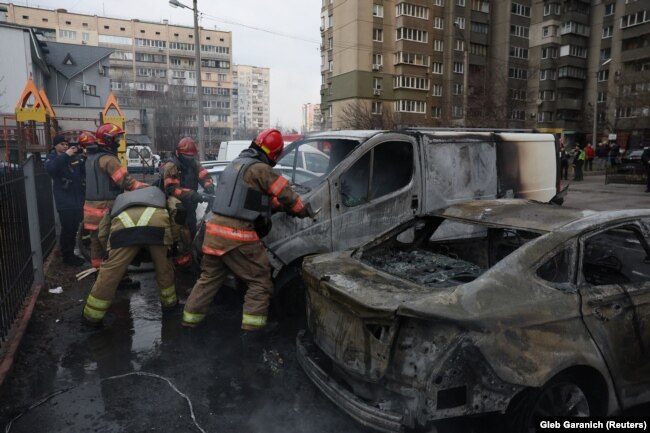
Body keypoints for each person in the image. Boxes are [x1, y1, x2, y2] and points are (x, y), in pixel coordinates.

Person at [182, 129, 315, 331]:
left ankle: (189, 322)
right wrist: (304, 211)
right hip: (237, 235)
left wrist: (274, 206)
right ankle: (253, 333)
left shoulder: (234, 165)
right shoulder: (261, 169)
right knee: (260, 281)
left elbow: (249, 199)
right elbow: (289, 198)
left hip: (213, 232)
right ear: (275, 153)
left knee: (208, 280)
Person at [82, 186, 179, 326]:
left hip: (122, 229)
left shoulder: (118, 202)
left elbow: (102, 231)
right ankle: (170, 307)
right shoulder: (162, 196)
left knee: (109, 275)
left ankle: (91, 318)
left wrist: (110, 252)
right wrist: (171, 242)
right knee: (164, 269)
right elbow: (177, 210)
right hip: (157, 226)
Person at [83, 123, 148, 289]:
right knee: (116, 246)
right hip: (106, 209)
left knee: (96, 244)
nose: (119, 141)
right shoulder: (109, 160)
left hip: (90, 210)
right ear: (108, 140)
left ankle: (100, 276)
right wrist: (147, 188)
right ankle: (121, 279)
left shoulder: (91, 158)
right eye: (116, 138)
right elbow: (126, 182)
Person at [161, 137, 215, 267]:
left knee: (191, 231)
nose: (189, 159)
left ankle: (188, 259)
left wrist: (209, 185)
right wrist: (193, 195)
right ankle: (179, 261)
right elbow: (172, 189)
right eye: (187, 156)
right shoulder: (172, 166)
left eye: (192, 156)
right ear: (179, 153)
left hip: (190, 207)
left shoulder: (194, 164)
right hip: (176, 208)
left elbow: (205, 176)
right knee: (182, 234)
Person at [44, 134, 86, 266]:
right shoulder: (52, 158)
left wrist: (84, 158)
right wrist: (65, 155)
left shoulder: (73, 158)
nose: (65, 146)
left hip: (77, 199)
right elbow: (51, 169)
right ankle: (67, 256)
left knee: (74, 228)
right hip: (64, 201)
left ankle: (71, 254)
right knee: (67, 228)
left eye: (66, 144)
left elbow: (82, 171)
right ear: (55, 146)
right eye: (62, 144)